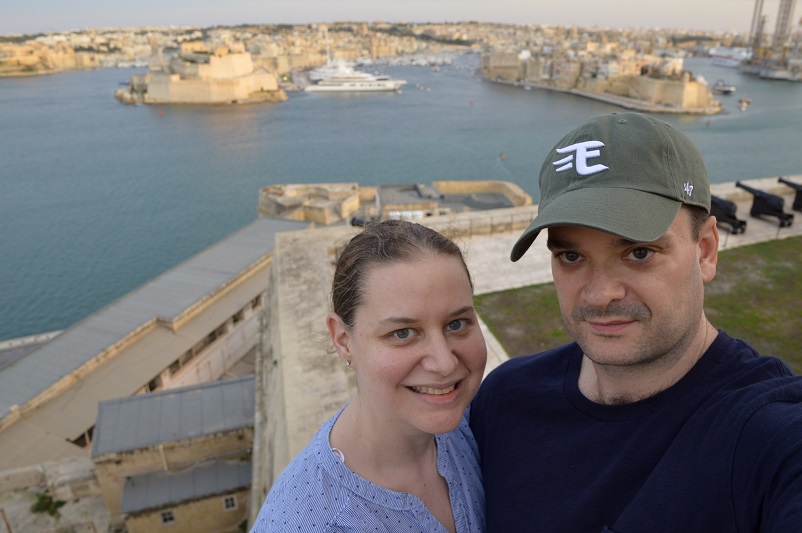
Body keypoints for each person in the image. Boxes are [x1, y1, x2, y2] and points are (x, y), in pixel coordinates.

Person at [470, 112, 802, 532]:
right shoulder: (503, 400)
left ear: (705, 251)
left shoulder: (766, 437)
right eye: (571, 257)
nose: (598, 294)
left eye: (639, 253)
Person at [252, 219, 487, 532]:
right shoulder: (306, 522)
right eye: (403, 332)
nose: (444, 363)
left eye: (456, 324)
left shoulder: (480, 427)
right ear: (343, 341)